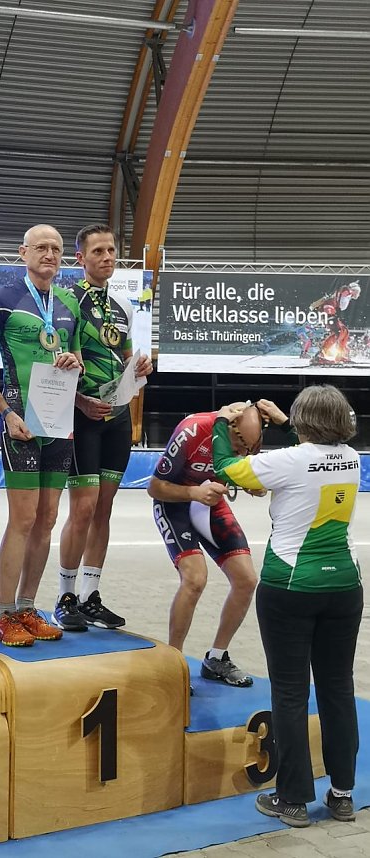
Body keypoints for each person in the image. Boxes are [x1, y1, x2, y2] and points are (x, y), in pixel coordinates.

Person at [213, 387, 362, 827]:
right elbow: (313, 454)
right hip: (345, 587)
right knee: (338, 688)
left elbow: (229, 468)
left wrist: (224, 422)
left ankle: (293, 798)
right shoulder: (351, 457)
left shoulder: (291, 461)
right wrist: (286, 423)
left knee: (291, 691)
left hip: (291, 587)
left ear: (302, 421)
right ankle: (342, 795)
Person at [0, 224, 83, 647]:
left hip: (57, 423)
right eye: (41, 247)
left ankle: (27, 606)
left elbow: (72, 355)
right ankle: (5, 614)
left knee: (47, 519)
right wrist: (4, 413)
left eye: (57, 249)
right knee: (23, 519)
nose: (50, 254)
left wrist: (74, 360)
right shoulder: (0, 301)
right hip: (20, 422)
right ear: (23, 252)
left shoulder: (69, 302)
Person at [57, 224, 152, 631]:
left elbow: (127, 357)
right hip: (82, 417)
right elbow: (59, 363)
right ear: (81, 258)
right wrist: (79, 400)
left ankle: (90, 595)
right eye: (98, 251)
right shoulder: (65, 302)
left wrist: (141, 367)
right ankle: (65, 595)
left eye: (112, 250)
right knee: (83, 507)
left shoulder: (122, 306)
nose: (108, 256)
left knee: (105, 508)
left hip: (116, 417)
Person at [147, 403, 266, 687]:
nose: (242, 454)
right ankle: (173, 663)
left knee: (247, 580)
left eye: (249, 449)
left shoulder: (247, 438)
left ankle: (216, 657)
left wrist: (253, 484)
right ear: (229, 427)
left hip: (210, 503)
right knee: (195, 579)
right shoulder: (193, 430)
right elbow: (154, 487)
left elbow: (243, 471)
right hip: (174, 503)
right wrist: (193, 492)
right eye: (238, 446)